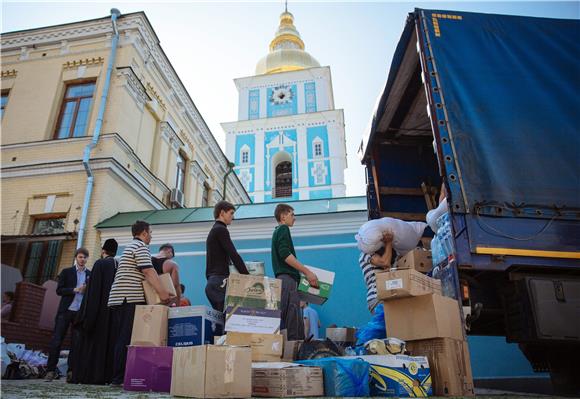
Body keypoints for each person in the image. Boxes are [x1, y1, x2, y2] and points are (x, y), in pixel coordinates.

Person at [107, 221, 174, 386]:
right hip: (128, 298)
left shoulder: (130, 247)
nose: (151, 236)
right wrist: (163, 294)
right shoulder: (141, 247)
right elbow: (149, 271)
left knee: (120, 337)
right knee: (125, 337)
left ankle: (117, 376)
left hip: (119, 297)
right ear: (144, 233)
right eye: (150, 232)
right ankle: (118, 378)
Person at [71, 239, 118, 385]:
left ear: (103, 250)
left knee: (93, 345)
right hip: (113, 312)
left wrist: (86, 317)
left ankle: (91, 376)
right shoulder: (119, 265)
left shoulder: (100, 263)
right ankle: (107, 376)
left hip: (98, 312)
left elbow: (93, 292)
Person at [271, 204, 318, 340]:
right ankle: (294, 354)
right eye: (292, 214)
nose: (294, 218)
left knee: (288, 319)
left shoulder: (277, 231)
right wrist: (307, 272)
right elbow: (285, 254)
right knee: (292, 320)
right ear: (283, 216)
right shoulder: (283, 229)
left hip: (284, 280)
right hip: (287, 280)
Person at [45, 248, 90, 381]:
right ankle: (50, 371)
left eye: (85, 258)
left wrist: (86, 290)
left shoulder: (90, 274)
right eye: (81, 257)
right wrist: (74, 290)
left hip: (79, 312)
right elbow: (59, 290)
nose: (83, 260)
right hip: (65, 311)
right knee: (57, 340)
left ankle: (71, 372)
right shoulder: (66, 272)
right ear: (76, 257)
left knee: (76, 343)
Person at [205, 201, 249, 311]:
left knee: (223, 321)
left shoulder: (215, 230)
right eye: (231, 213)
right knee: (229, 321)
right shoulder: (221, 230)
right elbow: (233, 254)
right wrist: (247, 277)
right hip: (220, 282)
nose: (233, 217)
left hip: (214, 282)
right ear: (222, 213)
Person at [359, 231, 395, 313]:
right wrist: (389, 242)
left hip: (387, 296)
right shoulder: (366, 254)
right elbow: (384, 263)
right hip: (377, 298)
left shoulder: (388, 255)